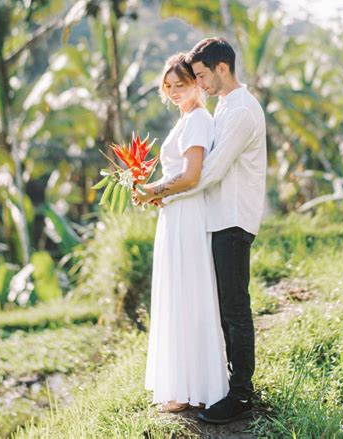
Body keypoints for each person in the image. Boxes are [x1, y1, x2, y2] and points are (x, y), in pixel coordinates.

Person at [139, 37, 267, 425]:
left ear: (222, 69)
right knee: (224, 306)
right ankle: (226, 385)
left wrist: (161, 192)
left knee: (234, 308)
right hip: (216, 217)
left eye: (200, 75)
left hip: (232, 218)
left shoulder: (242, 110)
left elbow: (209, 172)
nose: (200, 84)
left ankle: (241, 395)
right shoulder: (227, 107)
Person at [133, 52, 228, 413]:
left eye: (181, 84)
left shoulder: (198, 120)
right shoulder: (186, 119)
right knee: (178, 293)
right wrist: (153, 191)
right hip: (175, 214)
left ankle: (192, 388)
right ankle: (182, 385)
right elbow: (179, 177)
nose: (174, 91)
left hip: (188, 215)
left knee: (188, 294)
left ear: (195, 84)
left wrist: (153, 191)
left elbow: (191, 175)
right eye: (168, 86)